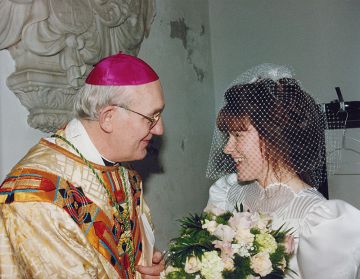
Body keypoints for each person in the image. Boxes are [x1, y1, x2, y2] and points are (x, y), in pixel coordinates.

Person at [0, 52, 165, 278]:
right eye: (151, 117)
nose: (159, 129)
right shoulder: (37, 197)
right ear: (108, 117)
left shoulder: (122, 171)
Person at [206, 64, 360, 279]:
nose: (227, 148)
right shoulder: (227, 192)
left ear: (272, 138)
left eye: (238, 136)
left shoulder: (319, 223)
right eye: (228, 136)